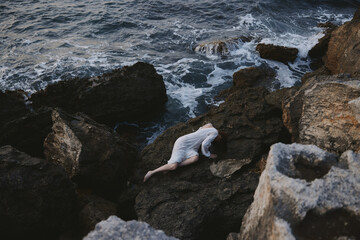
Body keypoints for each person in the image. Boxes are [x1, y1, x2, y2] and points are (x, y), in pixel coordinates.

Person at [144, 123, 224, 182]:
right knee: (173, 167)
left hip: (192, 148)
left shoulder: (210, 126)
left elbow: (208, 125)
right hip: (184, 143)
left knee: (195, 158)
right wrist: (209, 155)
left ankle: (171, 165)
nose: (217, 140)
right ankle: (152, 172)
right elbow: (204, 144)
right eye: (220, 139)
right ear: (220, 134)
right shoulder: (215, 133)